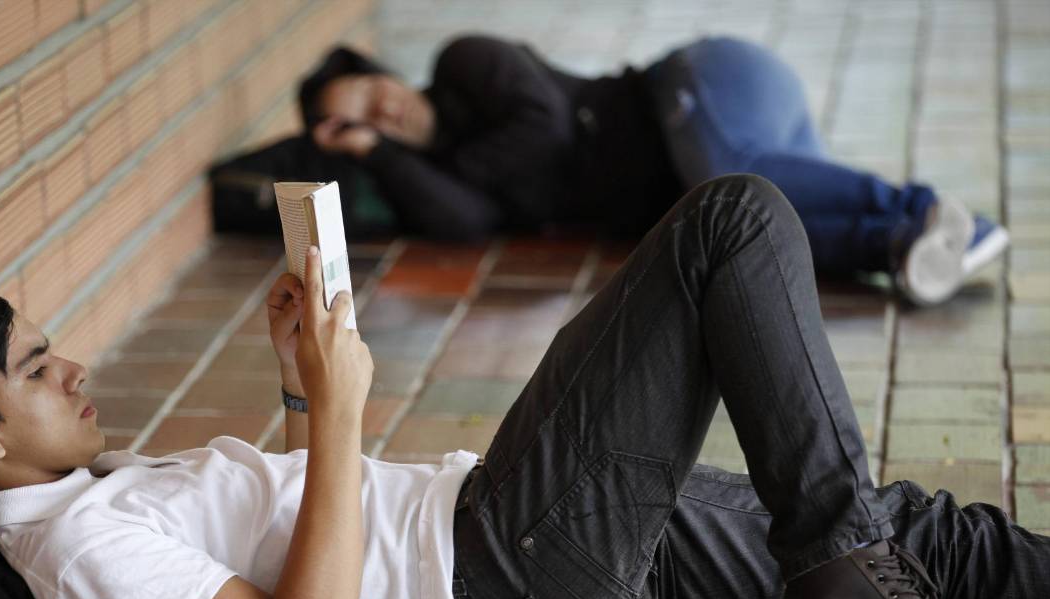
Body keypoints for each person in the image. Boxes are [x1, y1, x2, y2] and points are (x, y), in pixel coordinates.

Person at [0, 175, 1045, 599]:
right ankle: (849, 597)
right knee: (729, 224)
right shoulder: (75, 556)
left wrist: (294, 397)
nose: (71, 367)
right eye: (34, 369)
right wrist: (338, 412)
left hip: (535, 540)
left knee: (906, 533)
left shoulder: (92, 491)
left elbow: (282, 530)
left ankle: (853, 583)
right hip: (502, 561)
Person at [298, 35, 1010, 307]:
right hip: (704, 169)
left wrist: (451, 167)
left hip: (700, 88)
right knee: (753, 235)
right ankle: (904, 248)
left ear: (383, 75)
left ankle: (926, 210)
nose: (379, 112)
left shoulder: (463, 62)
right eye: (357, 122)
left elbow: (543, 129)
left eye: (366, 91)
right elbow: (466, 224)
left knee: (728, 176)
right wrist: (382, 158)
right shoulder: (442, 176)